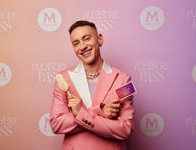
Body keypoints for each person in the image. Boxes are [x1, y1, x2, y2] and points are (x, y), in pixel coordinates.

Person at [50, 20, 134, 150]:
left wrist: (80, 113)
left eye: (86, 39)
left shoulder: (124, 80)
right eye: (76, 43)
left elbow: (125, 130)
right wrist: (100, 111)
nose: (82, 46)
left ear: (99, 39)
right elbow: (57, 124)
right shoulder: (64, 78)